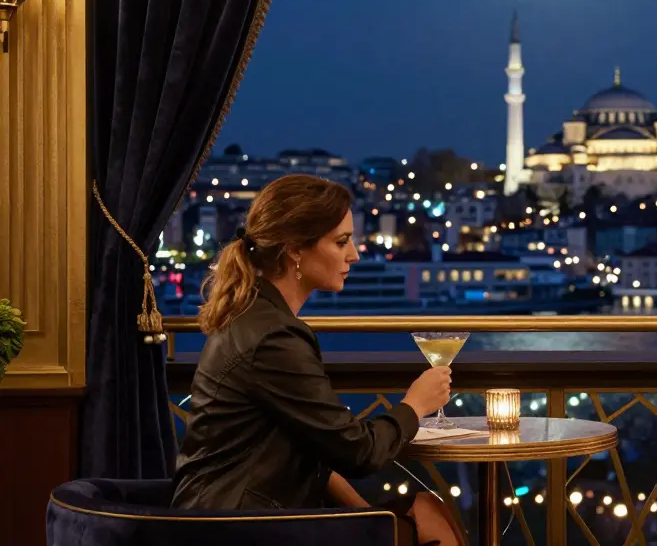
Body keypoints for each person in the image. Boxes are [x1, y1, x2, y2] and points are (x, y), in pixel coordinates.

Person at [171, 174, 465, 546]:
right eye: (341, 241)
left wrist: (366, 514)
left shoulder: (256, 318)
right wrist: (415, 404)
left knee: (425, 508)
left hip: (230, 513)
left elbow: (312, 449)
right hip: (240, 525)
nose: (354, 254)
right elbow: (359, 452)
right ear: (295, 249)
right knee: (429, 516)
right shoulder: (275, 338)